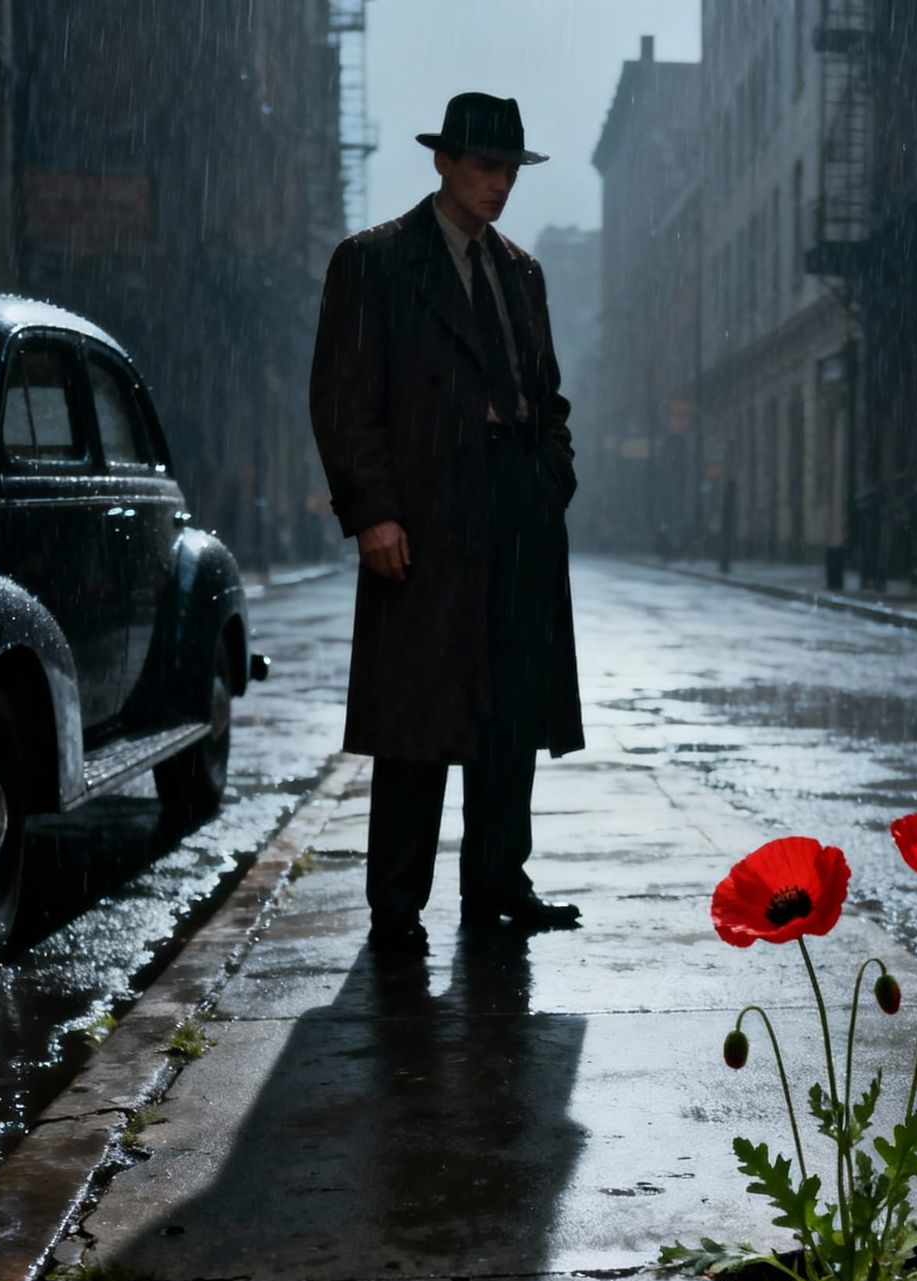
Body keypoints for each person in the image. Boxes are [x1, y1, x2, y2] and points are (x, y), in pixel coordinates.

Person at [309, 93, 584, 956]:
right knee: (417, 720)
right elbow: (345, 400)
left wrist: (551, 480)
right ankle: (396, 904)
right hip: (423, 517)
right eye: (482, 167)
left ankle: (499, 880)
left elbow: (548, 396)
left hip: (516, 515)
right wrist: (374, 513)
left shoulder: (524, 272)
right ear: (443, 164)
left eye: (508, 170)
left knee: (508, 713)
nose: (498, 185)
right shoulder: (376, 262)